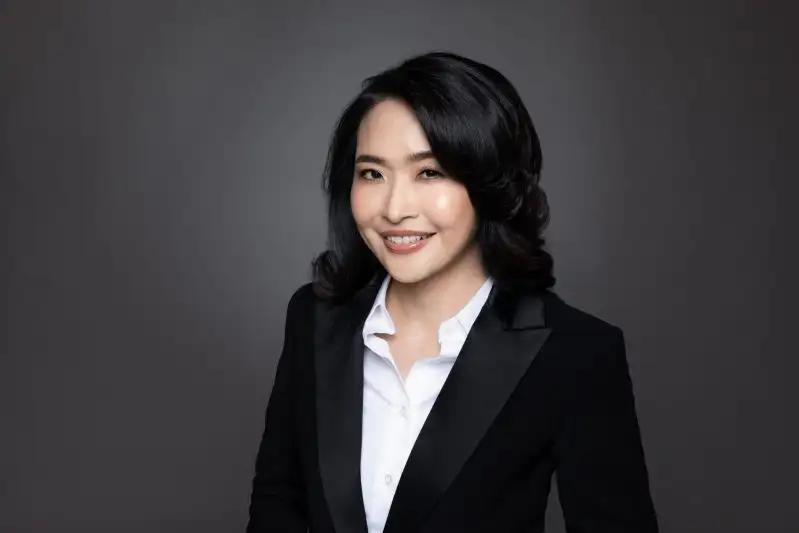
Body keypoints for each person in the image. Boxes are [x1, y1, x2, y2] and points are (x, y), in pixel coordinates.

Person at [246, 51, 658, 533]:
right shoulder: (315, 317)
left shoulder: (575, 354)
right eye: (372, 173)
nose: (394, 209)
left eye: (430, 172)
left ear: (490, 183)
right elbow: (279, 501)